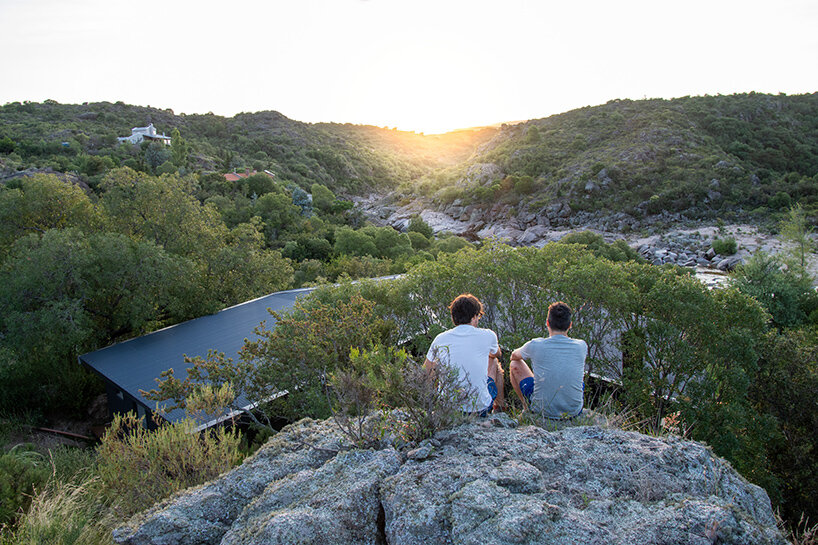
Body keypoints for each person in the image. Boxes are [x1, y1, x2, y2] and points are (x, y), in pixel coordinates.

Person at [424, 293, 504, 415]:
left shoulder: (440, 339)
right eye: (478, 316)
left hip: (449, 409)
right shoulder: (488, 335)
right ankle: (499, 407)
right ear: (474, 317)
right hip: (480, 408)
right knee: (493, 361)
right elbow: (497, 354)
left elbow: (426, 371)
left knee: (435, 364)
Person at [509, 301, 586, 419]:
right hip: (574, 411)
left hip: (543, 410)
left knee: (514, 364)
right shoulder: (581, 346)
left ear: (547, 323)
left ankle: (527, 408)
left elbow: (514, 356)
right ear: (570, 325)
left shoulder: (536, 344)